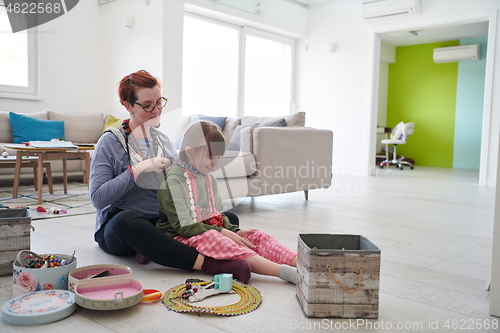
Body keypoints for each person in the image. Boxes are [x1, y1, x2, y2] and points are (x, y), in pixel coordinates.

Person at [89, 70, 251, 283]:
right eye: (147, 105)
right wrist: (138, 169)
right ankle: (211, 263)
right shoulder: (110, 142)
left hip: (160, 224)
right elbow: (98, 199)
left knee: (228, 218)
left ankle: (237, 247)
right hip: (121, 228)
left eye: (159, 102)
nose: (156, 111)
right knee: (125, 221)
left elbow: (183, 179)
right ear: (128, 106)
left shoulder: (163, 141)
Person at [156, 121, 297, 284]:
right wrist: (223, 232)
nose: (215, 162)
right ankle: (283, 272)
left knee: (254, 236)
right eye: (210, 156)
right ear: (190, 152)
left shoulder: (208, 178)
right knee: (216, 239)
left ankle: (298, 261)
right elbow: (184, 226)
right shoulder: (174, 181)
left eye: (219, 157)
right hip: (181, 236)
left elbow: (216, 215)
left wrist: (233, 231)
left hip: (208, 230)